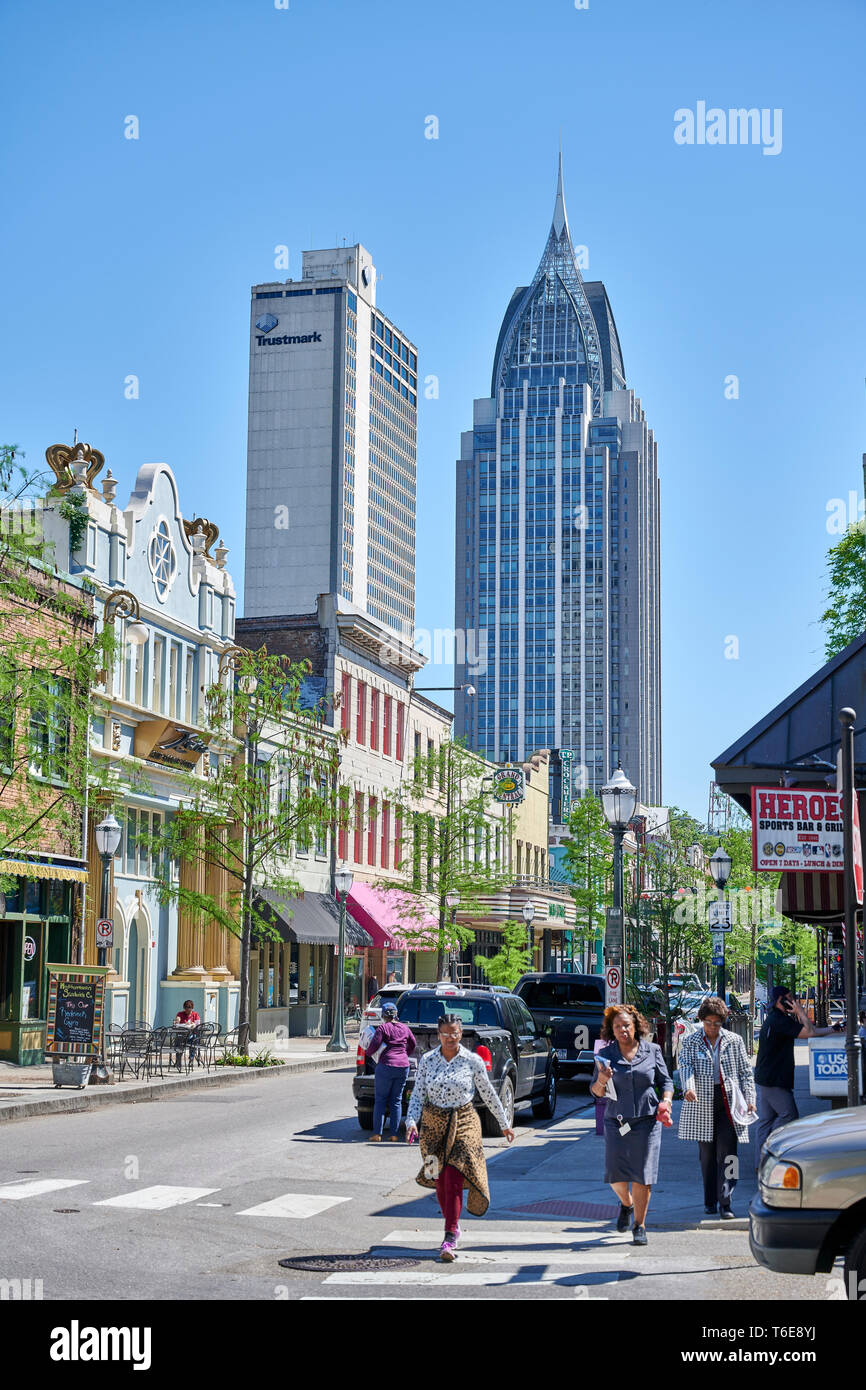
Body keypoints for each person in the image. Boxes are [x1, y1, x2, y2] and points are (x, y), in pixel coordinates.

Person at [406, 1013, 515, 1262]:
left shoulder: (471, 1060)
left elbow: (488, 1093)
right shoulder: (428, 1060)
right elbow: (418, 1094)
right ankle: (452, 1224)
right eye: (445, 1034)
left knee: (454, 1176)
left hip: (464, 1121)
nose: (450, 1038)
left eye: (454, 1033)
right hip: (433, 1126)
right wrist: (411, 1121)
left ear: (461, 1032)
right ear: (438, 1035)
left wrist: (504, 1124)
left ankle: (449, 1236)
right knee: (440, 1180)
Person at [590, 1003, 673, 1246]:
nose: (622, 1029)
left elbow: (666, 1082)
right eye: (617, 1026)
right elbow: (596, 1093)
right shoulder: (606, 1056)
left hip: (647, 1121)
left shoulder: (653, 1050)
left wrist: (666, 1102)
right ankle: (626, 1204)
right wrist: (602, 1081)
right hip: (617, 1122)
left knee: (642, 1175)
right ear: (611, 1030)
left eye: (626, 1024)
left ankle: (639, 1225)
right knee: (615, 1176)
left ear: (635, 1025)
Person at [677, 996, 756, 1218]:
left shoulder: (734, 1040)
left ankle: (726, 1201)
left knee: (729, 1156)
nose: (712, 1027)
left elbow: (745, 1073)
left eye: (717, 1023)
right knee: (707, 1156)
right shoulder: (692, 1041)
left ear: (723, 1022)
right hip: (701, 1102)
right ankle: (709, 1200)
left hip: (728, 1104)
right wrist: (688, 1087)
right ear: (702, 1021)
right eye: (708, 1022)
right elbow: (685, 1066)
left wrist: (750, 1098)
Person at [754, 985, 840, 1162]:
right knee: (789, 1115)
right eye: (789, 997)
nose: (792, 1000)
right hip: (774, 1080)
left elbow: (811, 1032)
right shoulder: (780, 1021)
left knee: (766, 1121)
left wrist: (833, 1030)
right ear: (780, 1000)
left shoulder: (777, 1019)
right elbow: (808, 1031)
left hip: (767, 1078)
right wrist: (800, 1011)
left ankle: (760, 1162)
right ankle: (768, 1151)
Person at [367, 1003, 417, 1143]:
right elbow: (413, 1044)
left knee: (381, 1100)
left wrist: (368, 1052)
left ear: (384, 1015)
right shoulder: (405, 1028)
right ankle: (394, 1135)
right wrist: (404, 1054)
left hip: (386, 1065)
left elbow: (374, 1045)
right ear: (395, 1014)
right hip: (403, 1066)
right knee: (396, 1100)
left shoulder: (383, 1028)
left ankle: (377, 1134)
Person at [172, 1000, 200, 1070]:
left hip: (191, 1036)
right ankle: (178, 1061)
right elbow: (177, 1020)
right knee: (178, 1040)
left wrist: (193, 1024)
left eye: (189, 1009)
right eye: (186, 1009)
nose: (187, 1011)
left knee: (194, 1040)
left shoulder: (195, 1015)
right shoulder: (180, 1014)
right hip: (182, 1035)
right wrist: (177, 1020)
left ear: (192, 1008)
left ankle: (191, 1059)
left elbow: (198, 1025)